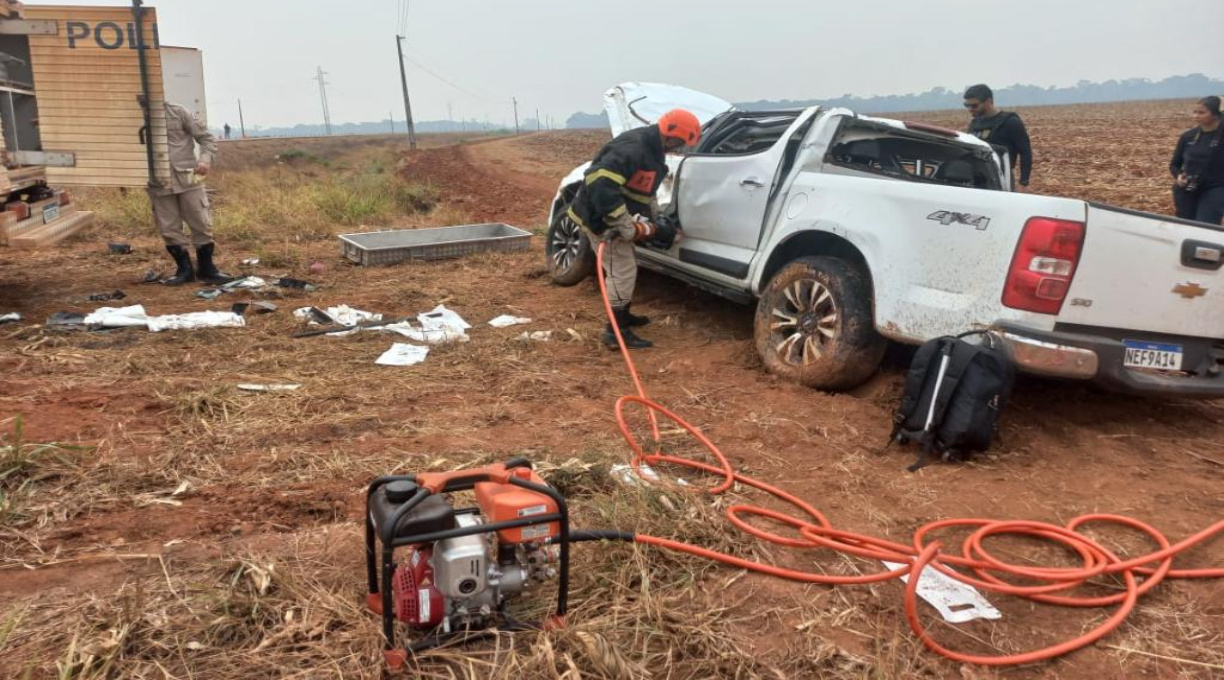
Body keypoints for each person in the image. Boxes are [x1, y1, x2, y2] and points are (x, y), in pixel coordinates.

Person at [567, 109, 698, 350]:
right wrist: (622, 223)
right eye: (681, 143)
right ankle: (615, 331)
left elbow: (643, 191)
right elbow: (600, 183)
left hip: (609, 215)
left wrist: (655, 217)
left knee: (624, 269)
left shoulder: (653, 150)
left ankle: (622, 316)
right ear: (671, 135)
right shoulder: (634, 149)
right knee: (622, 270)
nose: (680, 149)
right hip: (599, 218)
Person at [149, 102, 230, 285]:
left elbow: (207, 139)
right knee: (168, 227)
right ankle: (184, 271)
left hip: (189, 176)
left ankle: (207, 269)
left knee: (201, 221)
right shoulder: (131, 116)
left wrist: (205, 160)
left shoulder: (178, 111)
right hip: (157, 180)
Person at [963, 84, 1033, 191]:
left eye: (974, 105)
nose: (970, 109)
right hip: (975, 180)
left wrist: (1024, 182)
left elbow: (1025, 152)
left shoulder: (1010, 122)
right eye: (967, 105)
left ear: (988, 102)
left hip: (1001, 179)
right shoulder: (974, 124)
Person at [1170, 96, 1224, 225]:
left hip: (1216, 188)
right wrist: (1178, 177)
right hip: (1188, 188)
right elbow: (1174, 164)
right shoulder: (1188, 136)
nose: (1196, 116)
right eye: (1195, 112)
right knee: (1186, 225)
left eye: (1201, 112)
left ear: (1216, 115)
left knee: (1205, 225)